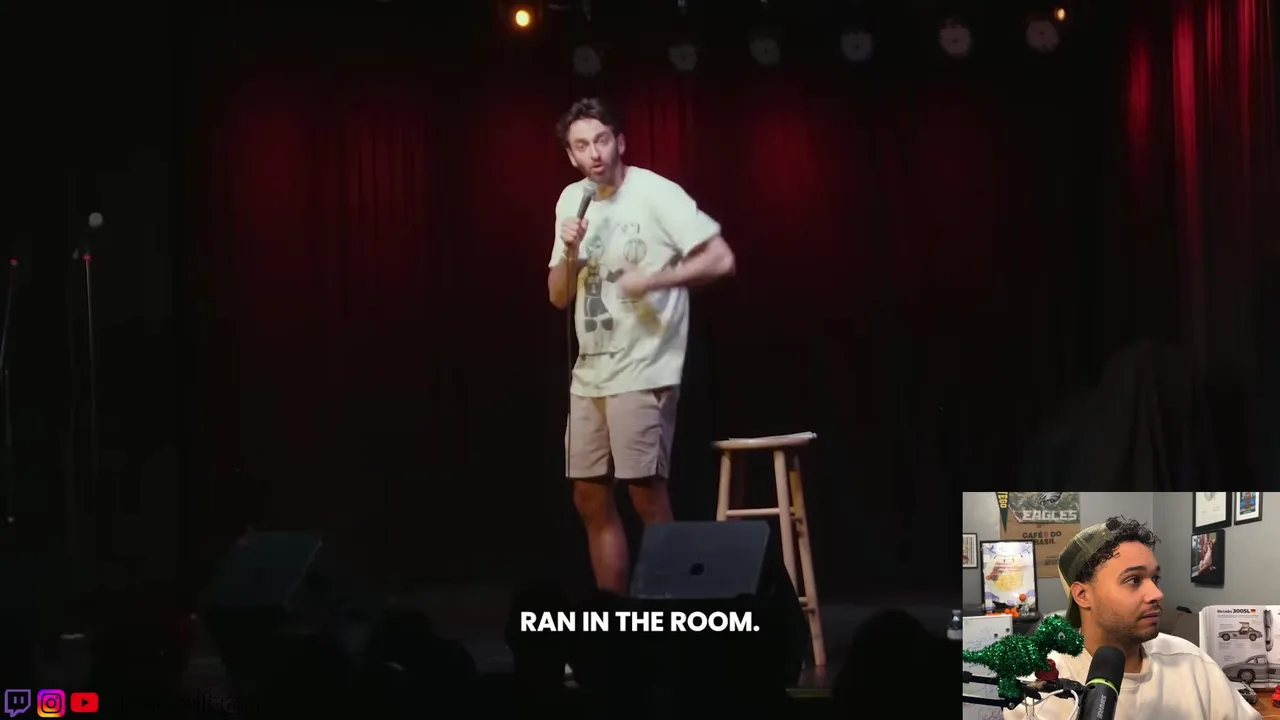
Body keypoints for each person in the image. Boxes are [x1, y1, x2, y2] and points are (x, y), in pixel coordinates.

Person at [546, 98, 736, 595]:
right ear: (570, 155)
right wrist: (570, 251)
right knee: (589, 497)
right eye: (582, 145)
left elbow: (721, 259)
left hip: (645, 366)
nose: (594, 153)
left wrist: (654, 280)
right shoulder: (571, 201)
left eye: (602, 140)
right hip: (590, 372)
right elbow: (558, 296)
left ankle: (673, 617)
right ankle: (615, 620)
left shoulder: (655, 193)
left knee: (645, 495)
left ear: (620, 142)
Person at [1004, 517, 1259, 720]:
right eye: (1134, 580)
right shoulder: (1037, 688)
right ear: (1082, 595)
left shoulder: (1192, 663)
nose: (1157, 593)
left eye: (1155, 579)